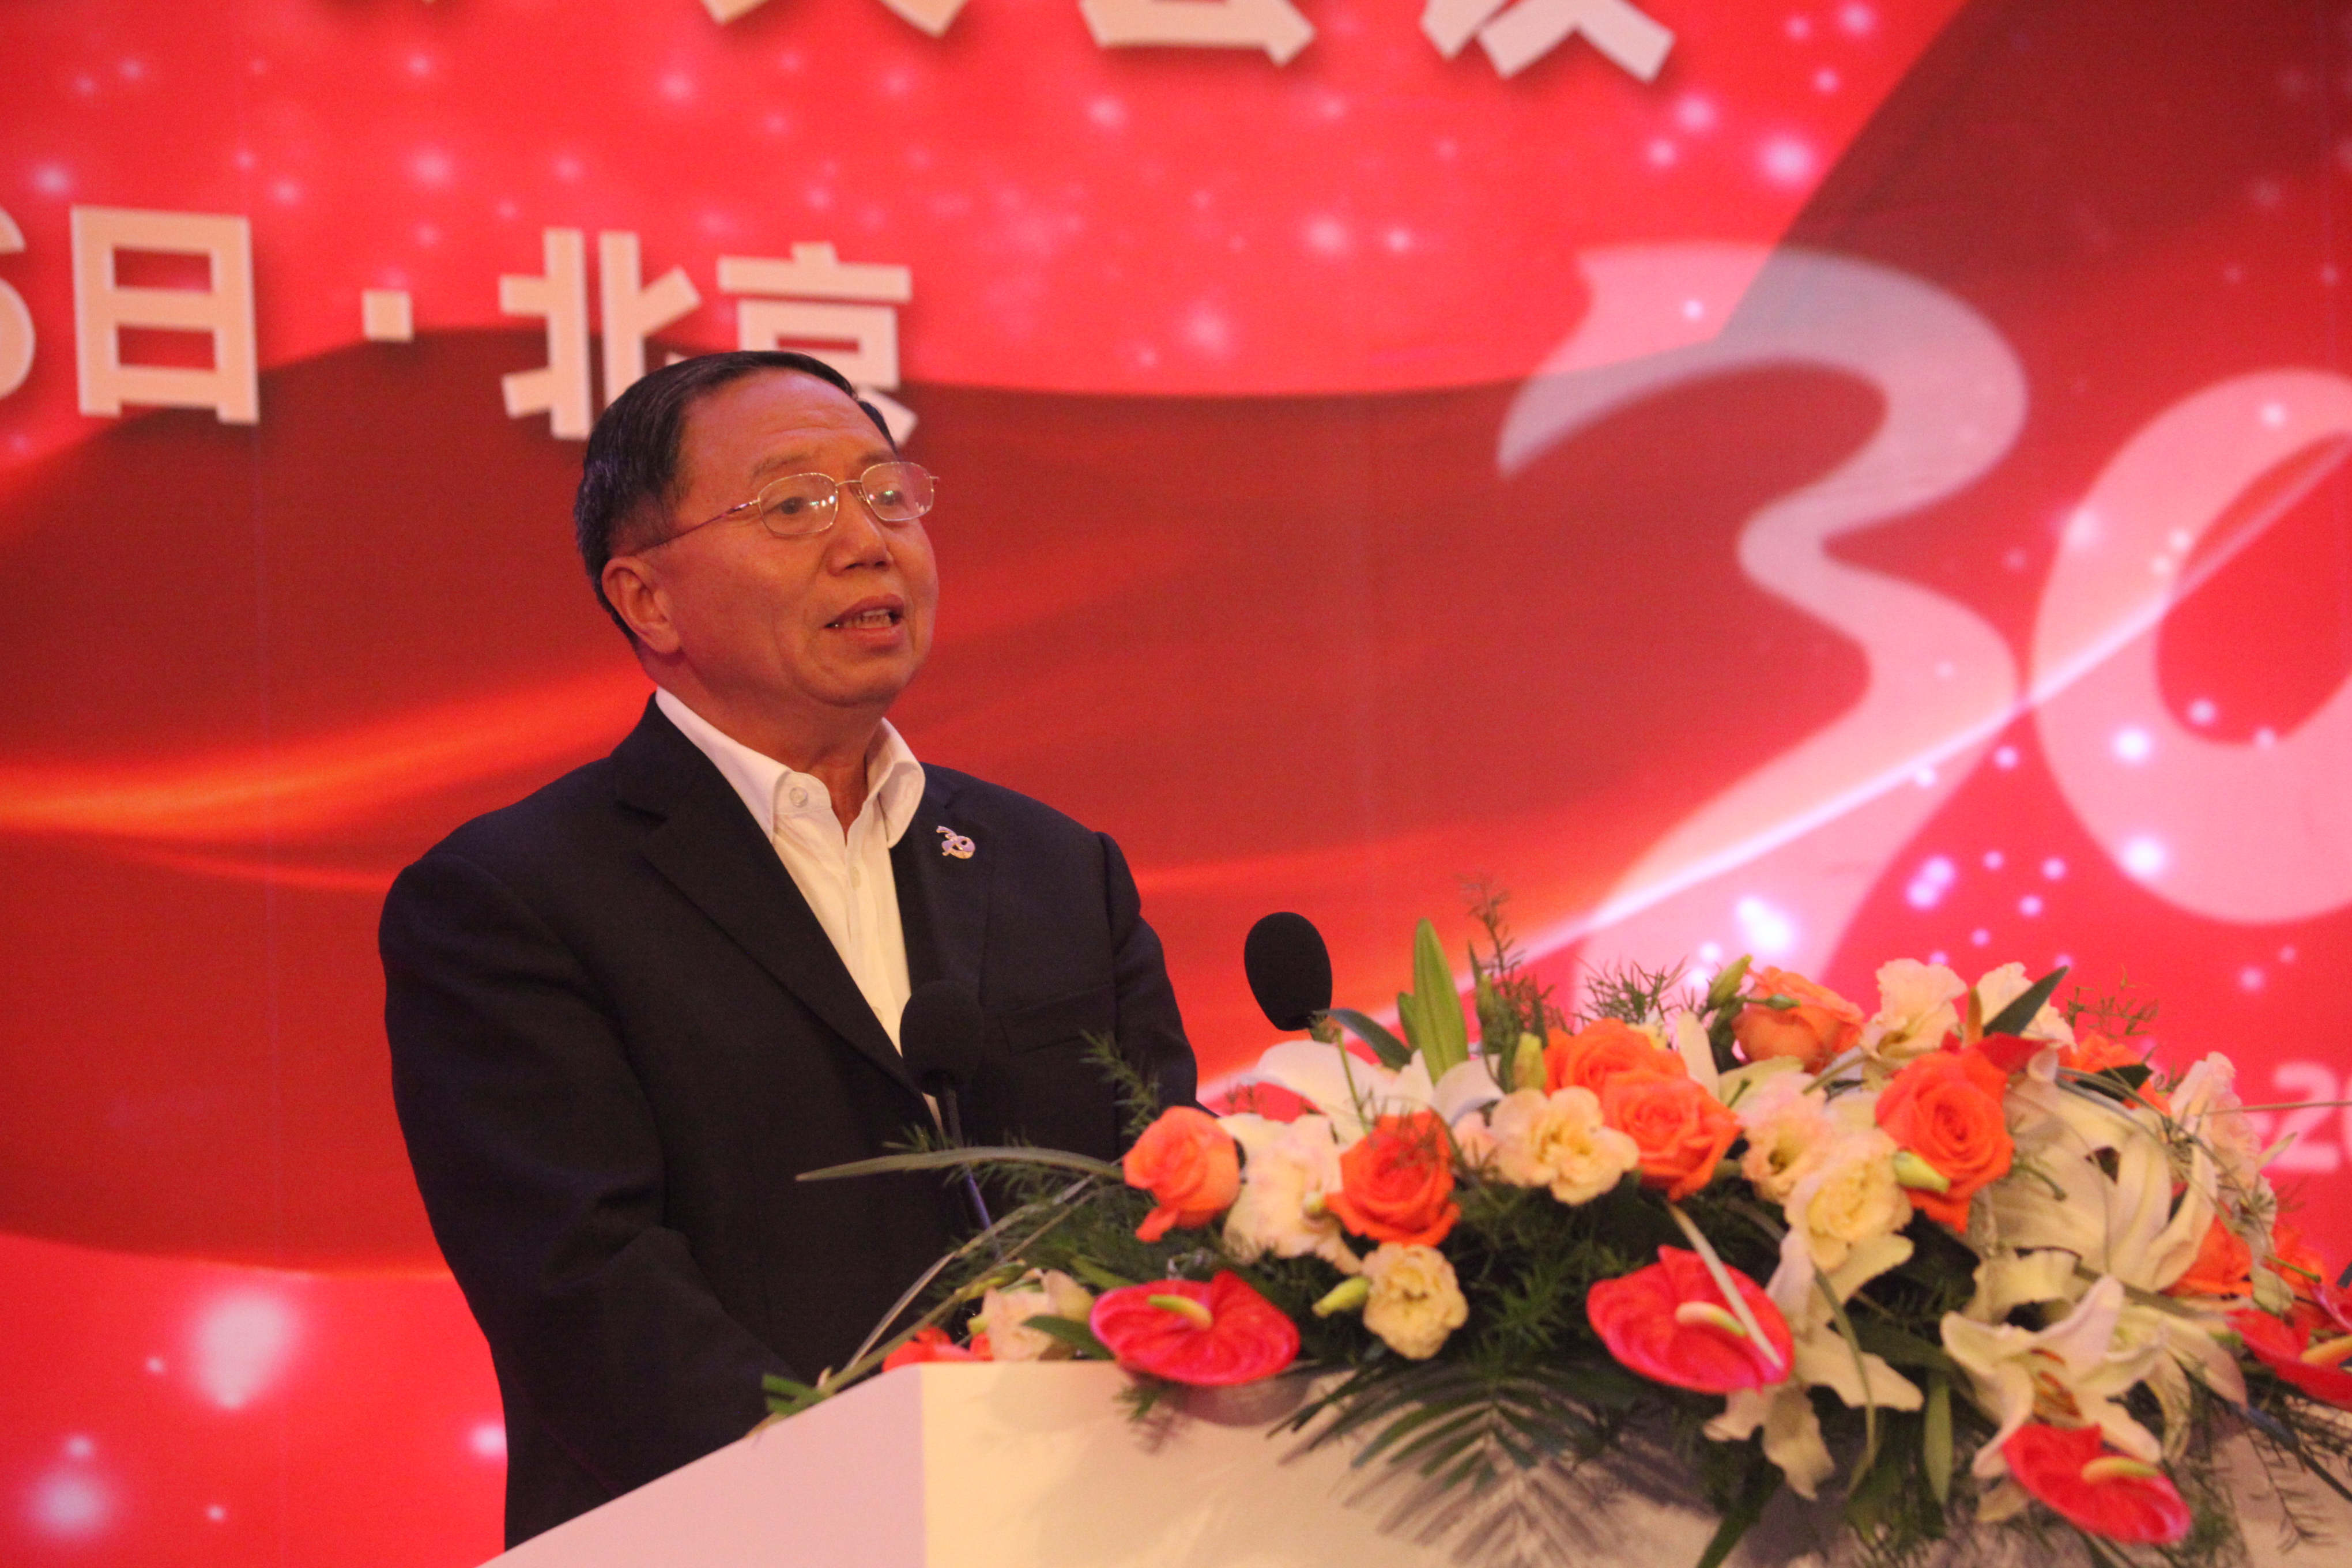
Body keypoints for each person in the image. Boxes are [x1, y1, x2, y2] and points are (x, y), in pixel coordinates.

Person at [380, 350, 1195, 1547]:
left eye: (886, 492)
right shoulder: (513, 898)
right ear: (649, 601)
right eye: (794, 504)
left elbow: (1167, 1203)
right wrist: (876, 1509)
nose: (868, 541)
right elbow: (590, 1299)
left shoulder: (1058, 868)